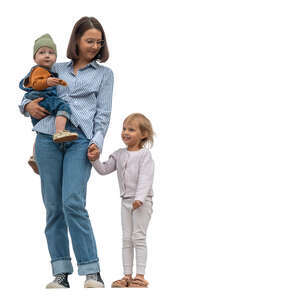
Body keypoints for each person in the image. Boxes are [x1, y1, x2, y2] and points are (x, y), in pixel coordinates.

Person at [19, 17, 114, 288]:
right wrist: (27, 107)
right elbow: (28, 90)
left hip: (80, 140)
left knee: (72, 200)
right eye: (89, 40)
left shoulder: (104, 74)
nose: (95, 46)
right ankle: (61, 272)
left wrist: (97, 141)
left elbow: (103, 114)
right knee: (53, 205)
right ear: (76, 41)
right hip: (48, 138)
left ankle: (91, 270)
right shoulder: (55, 66)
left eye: (99, 42)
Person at [92, 113, 154, 288]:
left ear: (144, 135)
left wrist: (140, 198)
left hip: (142, 202)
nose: (126, 132)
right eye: (124, 128)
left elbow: (146, 178)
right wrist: (94, 159)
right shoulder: (119, 154)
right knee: (126, 238)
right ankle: (127, 275)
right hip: (125, 201)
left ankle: (140, 276)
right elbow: (104, 170)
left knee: (138, 237)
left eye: (131, 130)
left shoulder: (144, 155)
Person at [19, 33, 78, 174]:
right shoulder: (38, 70)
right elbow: (36, 84)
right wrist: (46, 82)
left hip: (41, 99)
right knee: (63, 106)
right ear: (35, 58)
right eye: (42, 52)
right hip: (41, 96)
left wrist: (60, 82)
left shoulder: (50, 71)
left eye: (51, 53)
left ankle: (34, 156)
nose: (47, 55)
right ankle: (59, 132)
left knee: (41, 129)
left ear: (56, 57)